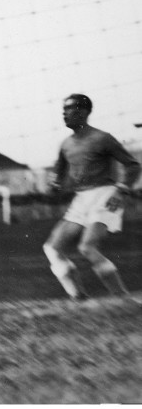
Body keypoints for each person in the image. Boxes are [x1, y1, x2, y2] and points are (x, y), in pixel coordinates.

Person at [43, 94, 141, 302]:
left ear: (84, 112)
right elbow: (58, 174)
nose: (64, 113)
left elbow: (133, 165)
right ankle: (77, 296)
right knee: (52, 248)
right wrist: (54, 184)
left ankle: (123, 299)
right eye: (64, 109)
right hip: (81, 199)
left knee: (87, 247)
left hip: (106, 195)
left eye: (69, 109)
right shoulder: (65, 144)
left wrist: (121, 190)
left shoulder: (102, 138)